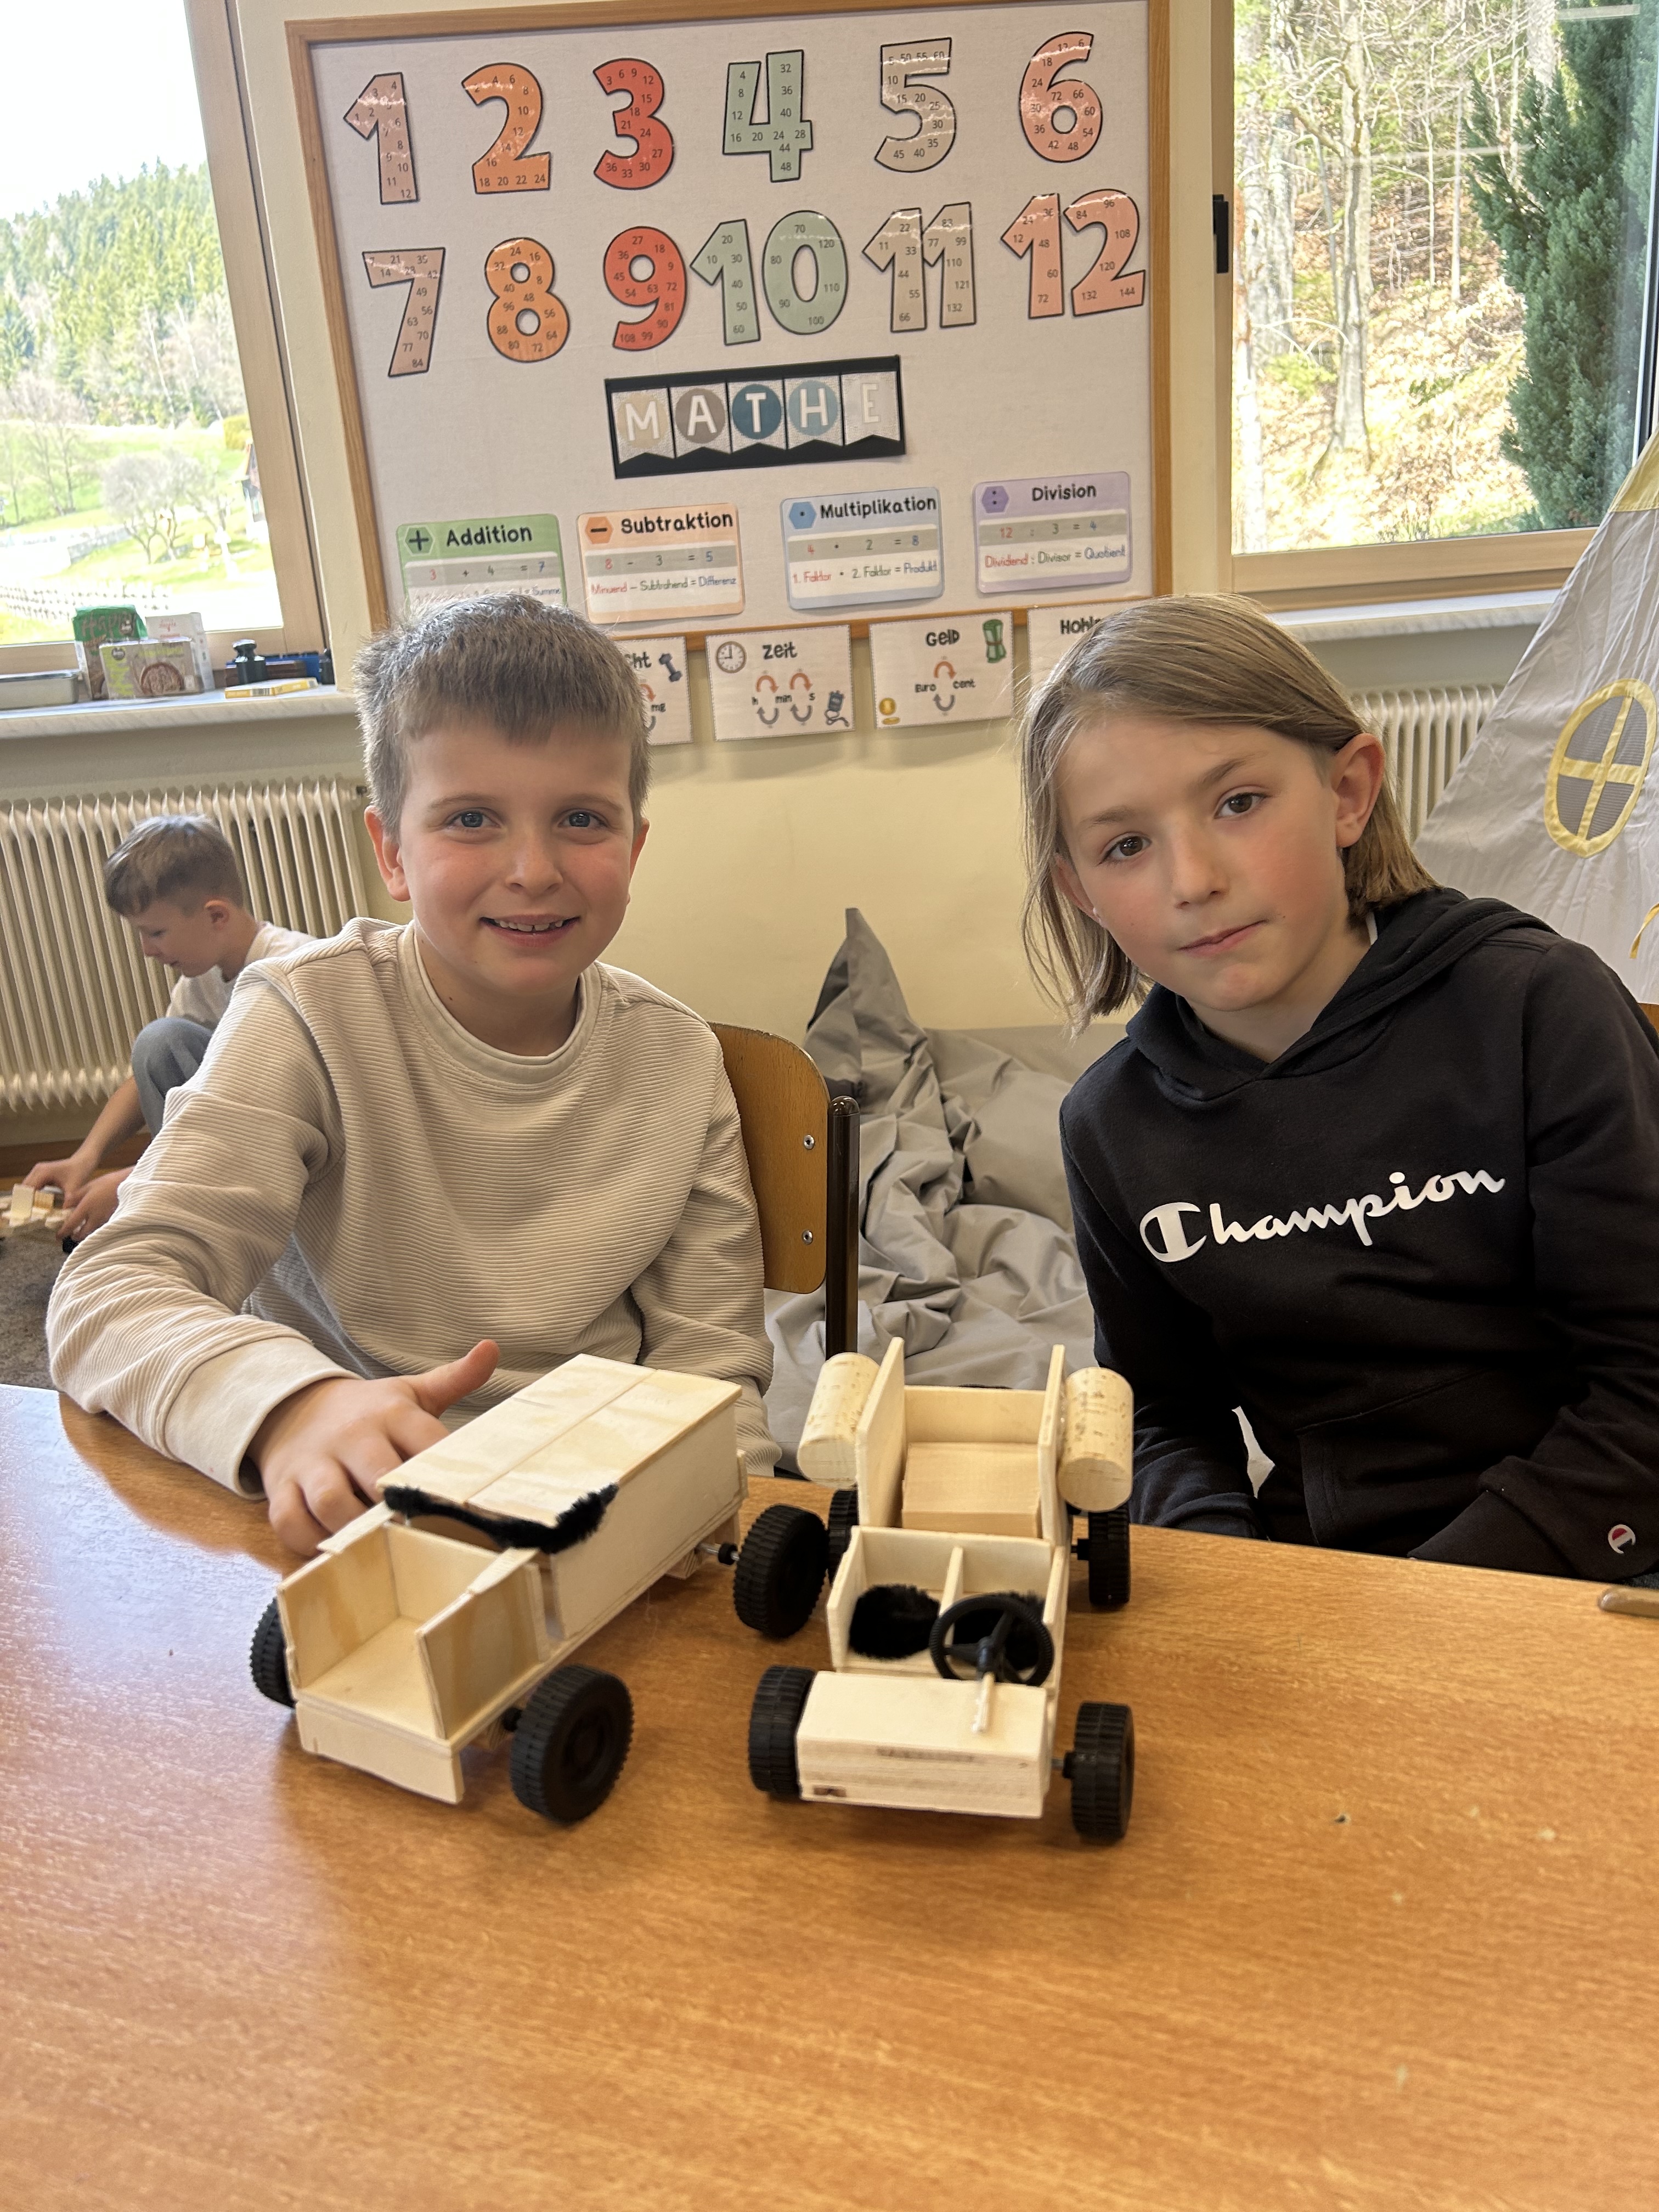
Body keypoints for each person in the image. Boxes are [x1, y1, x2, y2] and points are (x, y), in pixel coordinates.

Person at [49, 594, 776, 1553]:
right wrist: (290, 1406)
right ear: (391, 851)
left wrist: (717, 1532)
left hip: (600, 1516)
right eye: (471, 818)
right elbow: (108, 1293)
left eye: (581, 818)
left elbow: (712, 1374)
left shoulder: (680, 1059)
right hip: (353, 1512)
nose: (533, 869)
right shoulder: (303, 1014)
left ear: (633, 849)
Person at [1020, 592, 1659, 1580]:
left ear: (1348, 791)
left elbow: (1643, 1388)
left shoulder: (1541, 1008)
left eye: (1237, 802)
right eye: (1125, 846)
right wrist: (1237, 1585)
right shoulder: (1109, 1124)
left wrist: (1415, 1612)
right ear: (1081, 893)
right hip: (1321, 1582)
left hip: (1589, 1561)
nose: (1192, 880)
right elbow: (1161, 1417)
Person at [21, 815, 313, 1240]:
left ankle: (182, 1200)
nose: (146, 950)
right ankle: (184, 1206)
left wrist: (135, 1180)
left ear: (216, 916)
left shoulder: (289, 971)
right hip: (240, 1144)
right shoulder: (203, 979)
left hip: (296, 1152)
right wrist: (85, 1158)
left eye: (156, 932)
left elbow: (280, 1117)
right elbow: (147, 1075)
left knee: (162, 1040)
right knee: (159, 1043)